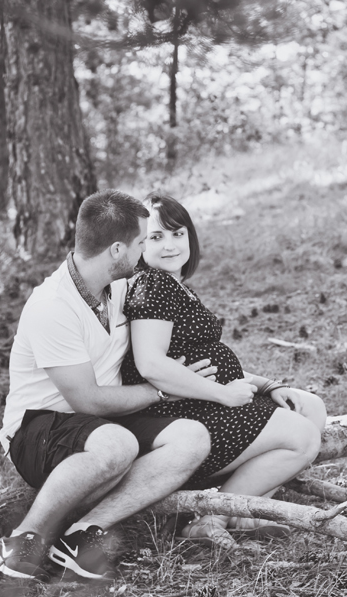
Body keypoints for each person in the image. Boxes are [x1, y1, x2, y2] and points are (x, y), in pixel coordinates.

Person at [0, 189, 215, 581]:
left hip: (104, 423)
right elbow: (86, 400)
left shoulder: (122, 287)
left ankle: (82, 535)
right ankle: (23, 539)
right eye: (142, 242)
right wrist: (161, 392)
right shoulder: (52, 306)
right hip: (41, 428)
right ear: (116, 250)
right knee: (119, 444)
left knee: (193, 437)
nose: (148, 250)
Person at [119, 192, 327, 548]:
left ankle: (246, 512)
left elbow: (204, 365)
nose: (170, 245)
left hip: (203, 401)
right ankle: (209, 518)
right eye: (156, 237)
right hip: (176, 416)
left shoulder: (177, 287)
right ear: (139, 244)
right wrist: (225, 394)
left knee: (310, 407)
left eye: (178, 234)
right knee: (302, 436)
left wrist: (267, 385)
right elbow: (151, 363)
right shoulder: (152, 285)